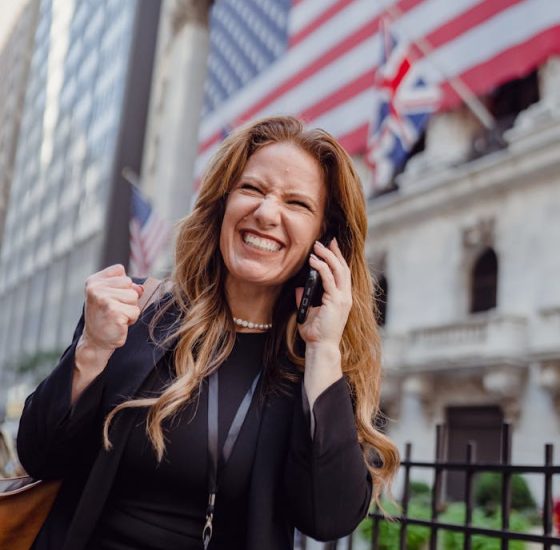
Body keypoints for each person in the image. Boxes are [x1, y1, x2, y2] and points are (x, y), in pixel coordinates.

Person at [17, 116, 400, 550]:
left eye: (297, 204)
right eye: (252, 189)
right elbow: (38, 454)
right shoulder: (138, 313)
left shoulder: (317, 364)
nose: (267, 213)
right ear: (222, 204)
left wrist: (325, 348)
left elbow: (329, 518)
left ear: (323, 239)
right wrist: (91, 349)